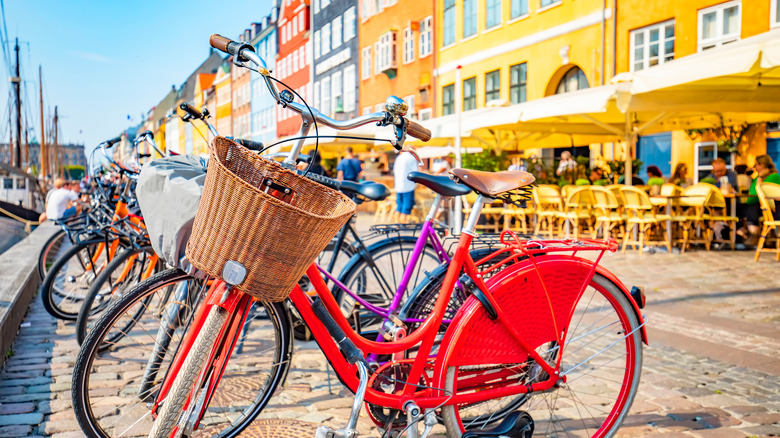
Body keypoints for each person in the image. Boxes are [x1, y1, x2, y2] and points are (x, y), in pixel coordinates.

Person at [740, 154, 780, 245]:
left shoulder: (773, 177)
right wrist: (749, 177)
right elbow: (751, 192)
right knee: (738, 208)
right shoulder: (758, 178)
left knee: (752, 208)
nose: (755, 168)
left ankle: (754, 234)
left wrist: (759, 178)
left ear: (763, 164)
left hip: (772, 208)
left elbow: (755, 193)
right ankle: (744, 232)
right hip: (760, 205)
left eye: (756, 165)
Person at [393, 150, 419, 223]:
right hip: (408, 184)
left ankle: (397, 220)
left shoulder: (398, 157)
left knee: (399, 203)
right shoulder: (411, 158)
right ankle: (403, 220)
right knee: (407, 203)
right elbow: (415, 172)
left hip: (398, 184)